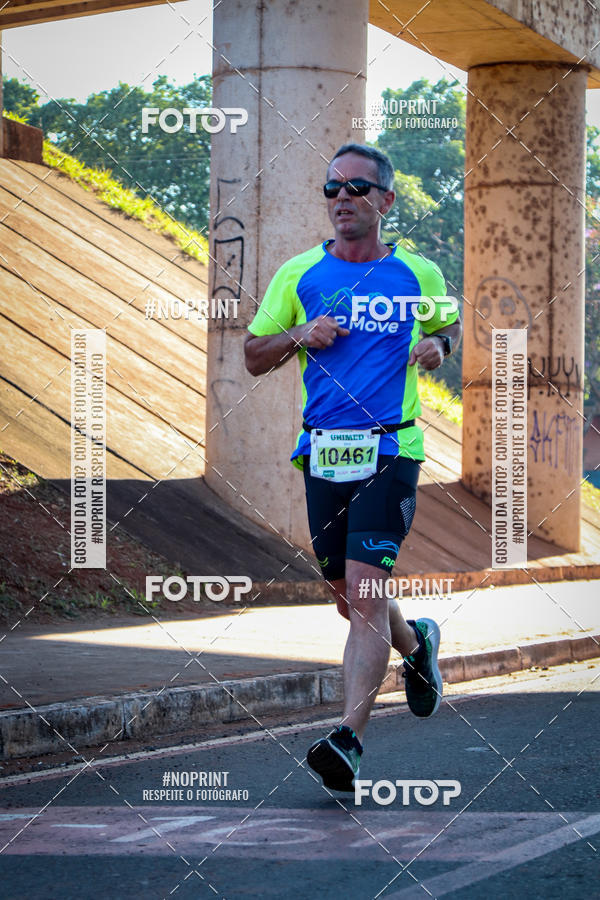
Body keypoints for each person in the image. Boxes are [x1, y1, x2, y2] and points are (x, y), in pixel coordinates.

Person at [244, 143, 462, 792]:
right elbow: (253, 354)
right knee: (349, 600)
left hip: (391, 450)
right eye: (332, 188)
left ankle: (348, 739)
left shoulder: (417, 273)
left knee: (366, 595)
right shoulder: (299, 275)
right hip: (323, 454)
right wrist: (298, 335)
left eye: (357, 188)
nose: (342, 198)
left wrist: (437, 345)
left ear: (385, 200)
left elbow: (450, 326)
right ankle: (416, 645)